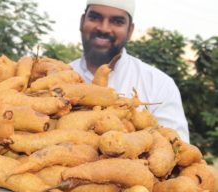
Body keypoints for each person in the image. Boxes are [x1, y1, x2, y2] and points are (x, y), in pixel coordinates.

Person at [70, 0, 190, 143]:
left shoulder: (159, 84)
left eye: (117, 21)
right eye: (95, 17)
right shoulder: (59, 76)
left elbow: (178, 148)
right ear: (82, 21)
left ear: (130, 31)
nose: (104, 28)